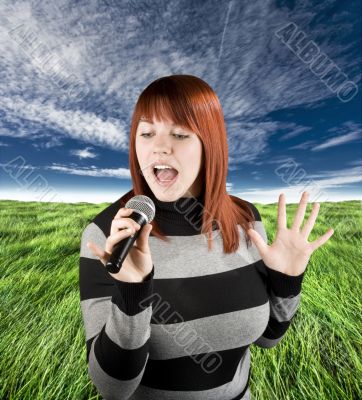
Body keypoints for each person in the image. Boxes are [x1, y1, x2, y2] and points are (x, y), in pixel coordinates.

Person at [79, 75, 334, 400]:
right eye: (146, 132)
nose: (159, 146)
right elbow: (112, 388)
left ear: (209, 143)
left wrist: (287, 281)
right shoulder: (107, 237)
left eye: (180, 133)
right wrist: (132, 295)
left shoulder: (246, 220)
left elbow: (268, 337)